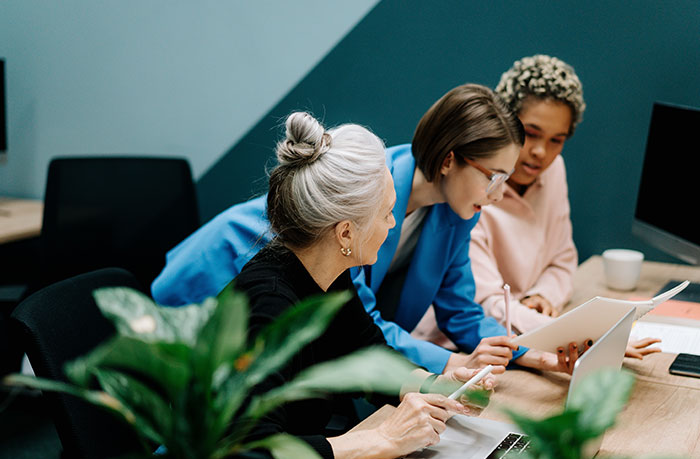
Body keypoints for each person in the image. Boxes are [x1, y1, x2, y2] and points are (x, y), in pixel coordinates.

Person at [152, 84, 580, 375]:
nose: (498, 194)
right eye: (494, 177)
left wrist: (533, 355)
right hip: (222, 273)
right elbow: (365, 320)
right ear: (450, 160)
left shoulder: (456, 212)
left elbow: (461, 311)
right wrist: (450, 366)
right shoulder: (369, 201)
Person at [239, 111, 495, 459]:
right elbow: (252, 452)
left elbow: (370, 355)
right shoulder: (268, 303)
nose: (393, 224)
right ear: (345, 233)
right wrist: (385, 438)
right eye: (387, 213)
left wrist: (440, 386)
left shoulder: (330, 274)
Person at [413, 55, 660, 359]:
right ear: (505, 124)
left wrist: (541, 295)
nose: (541, 153)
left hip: (521, 333)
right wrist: (580, 335)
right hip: (458, 346)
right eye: (530, 134)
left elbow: (563, 258)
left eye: (557, 140)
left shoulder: (554, 172)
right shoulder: (469, 191)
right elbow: (482, 304)